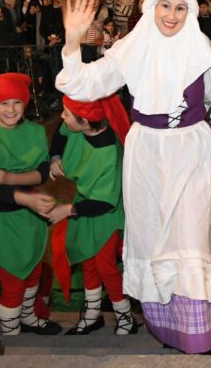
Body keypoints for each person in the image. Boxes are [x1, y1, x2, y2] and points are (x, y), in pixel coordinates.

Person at [55, 0, 211, 355]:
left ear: (191, 9)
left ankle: (199, 334)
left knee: (192, 239)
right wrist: (73, 41)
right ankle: (167, 329)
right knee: (151, 239)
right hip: (146, 152)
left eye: (181, 7)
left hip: (192, 151)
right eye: (165, 4)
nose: (172, 15)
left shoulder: (200, 45)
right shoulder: (134, 45)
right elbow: (86, 84)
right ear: (151, 5)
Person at [0, 74, 61, 336]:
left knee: (33, 273)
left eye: (16, 102)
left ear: (25, 103)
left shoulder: (34, 131)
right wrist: (26, 195)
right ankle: (11, 335)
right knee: (12, 281)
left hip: (30, 217)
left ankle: (29, 318)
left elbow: (43, 172)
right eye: (3, 104)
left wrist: (11, 178)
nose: (10, 109)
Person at [48, 93, 138, 336]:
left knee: (105, 265)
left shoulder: (109, 152)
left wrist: (66, 210)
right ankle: (92, 315)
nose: (62, 117)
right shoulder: (78, 128)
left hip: (104, 211)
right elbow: (59, 132)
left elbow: (105, 202)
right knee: (88, 261)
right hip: (84, 205)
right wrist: (55, 155)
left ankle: (125, 317)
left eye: (66, 113)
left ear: (85, 122)